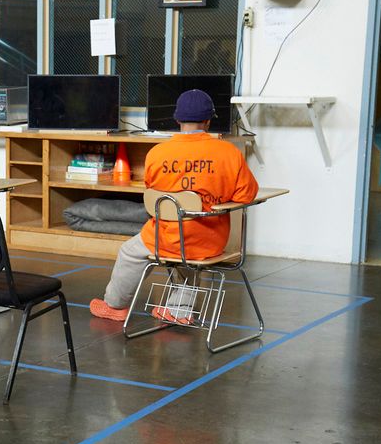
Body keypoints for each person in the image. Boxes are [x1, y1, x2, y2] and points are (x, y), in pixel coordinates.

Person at [89, 89, 259, 323]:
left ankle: (115, 306)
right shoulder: (229, 153)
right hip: (209, 242)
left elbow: (152, 191)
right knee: (189, 250)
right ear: (208, 121)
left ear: (177, 119)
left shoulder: (157, 153)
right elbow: (246, 195)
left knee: (130, 252)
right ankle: (179, 310)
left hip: (165, 238)